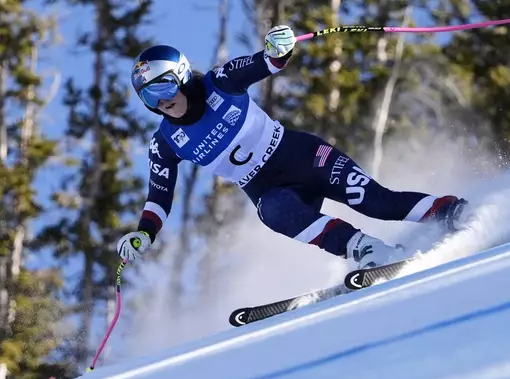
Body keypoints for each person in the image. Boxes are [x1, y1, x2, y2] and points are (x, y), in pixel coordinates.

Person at [116, 25, 468, 269]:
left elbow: (266, 62)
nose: (160, 103)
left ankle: (453, 212)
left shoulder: (219, 83)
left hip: (301, 157)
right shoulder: (165, 144)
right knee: (273, 212)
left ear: (180, 76)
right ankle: (366, 249)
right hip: (269, 189)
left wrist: (278, 48)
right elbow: (159, 196)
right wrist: (143, 235)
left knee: (376, 202)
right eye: (147, 96)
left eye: (162, 88)